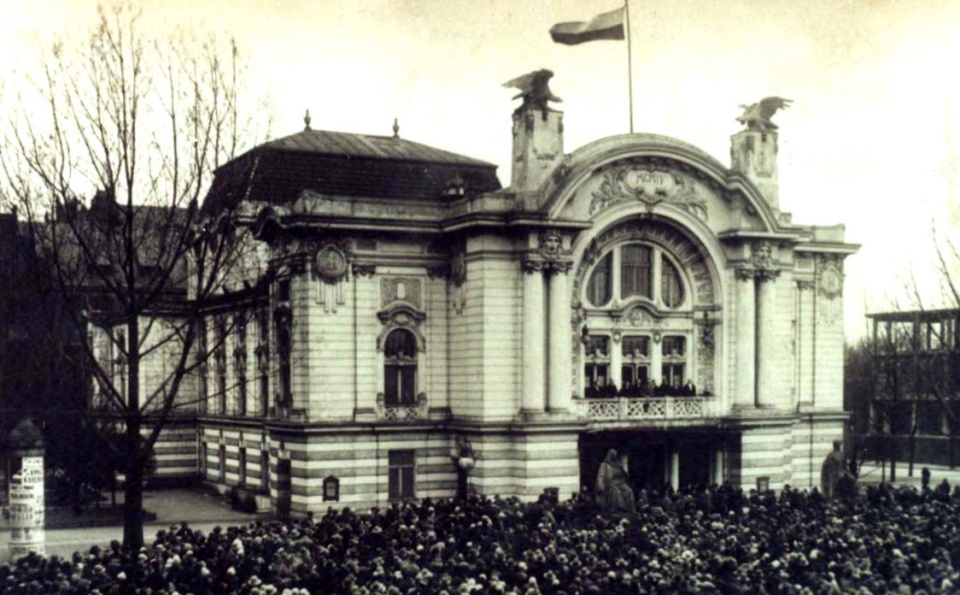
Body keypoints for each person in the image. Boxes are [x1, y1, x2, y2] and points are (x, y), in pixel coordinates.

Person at [595, 449, 636, 513]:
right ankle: (617, 509)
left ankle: (630, 510)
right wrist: (601, 487)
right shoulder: (604, 465)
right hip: (610, 483)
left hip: (620, 483)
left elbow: (624, 475)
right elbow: (600, 476)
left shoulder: (618, 465)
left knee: (629, 491)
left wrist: (622, 469)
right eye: (612, 455)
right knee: (616, 492)